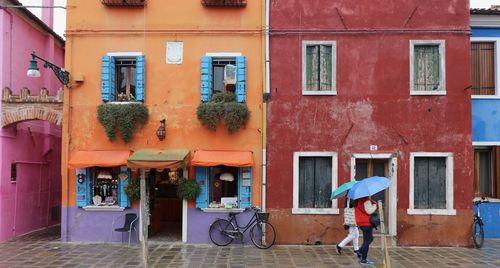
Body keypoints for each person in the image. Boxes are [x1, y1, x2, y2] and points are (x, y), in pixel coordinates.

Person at [355, 196, 377, 265]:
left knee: (370, 238)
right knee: (367, 241)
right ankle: (363, 260)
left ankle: (360, 251)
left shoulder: (357, 199)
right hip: (366, 222)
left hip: (360, 222)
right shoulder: (365, 199)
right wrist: (375, 205)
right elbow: (369, 211)